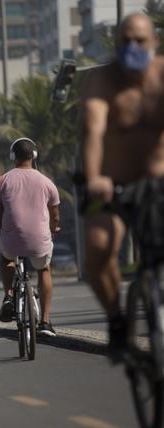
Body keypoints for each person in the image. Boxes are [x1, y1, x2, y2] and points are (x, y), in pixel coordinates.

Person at [81, 13, 164, 362]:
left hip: (158, 182)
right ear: (116, 45)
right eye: (126, 41)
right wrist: (93, 177)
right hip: (112, 184)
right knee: (98, 248)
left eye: (140, 40)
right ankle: (116, 320)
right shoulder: (102, 81)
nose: (133, 47)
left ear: (154, 42)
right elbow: (93, 132)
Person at [0, 138, 60, 337]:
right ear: (34, 156)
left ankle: (9, 296)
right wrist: (54, 228)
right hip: (39, 242)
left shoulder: (1, 181)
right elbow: (55, 217)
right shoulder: (47, 182)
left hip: (11, 240)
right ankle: (45, 322)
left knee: (6, 258)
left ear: (12, 156)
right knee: (44, 269)